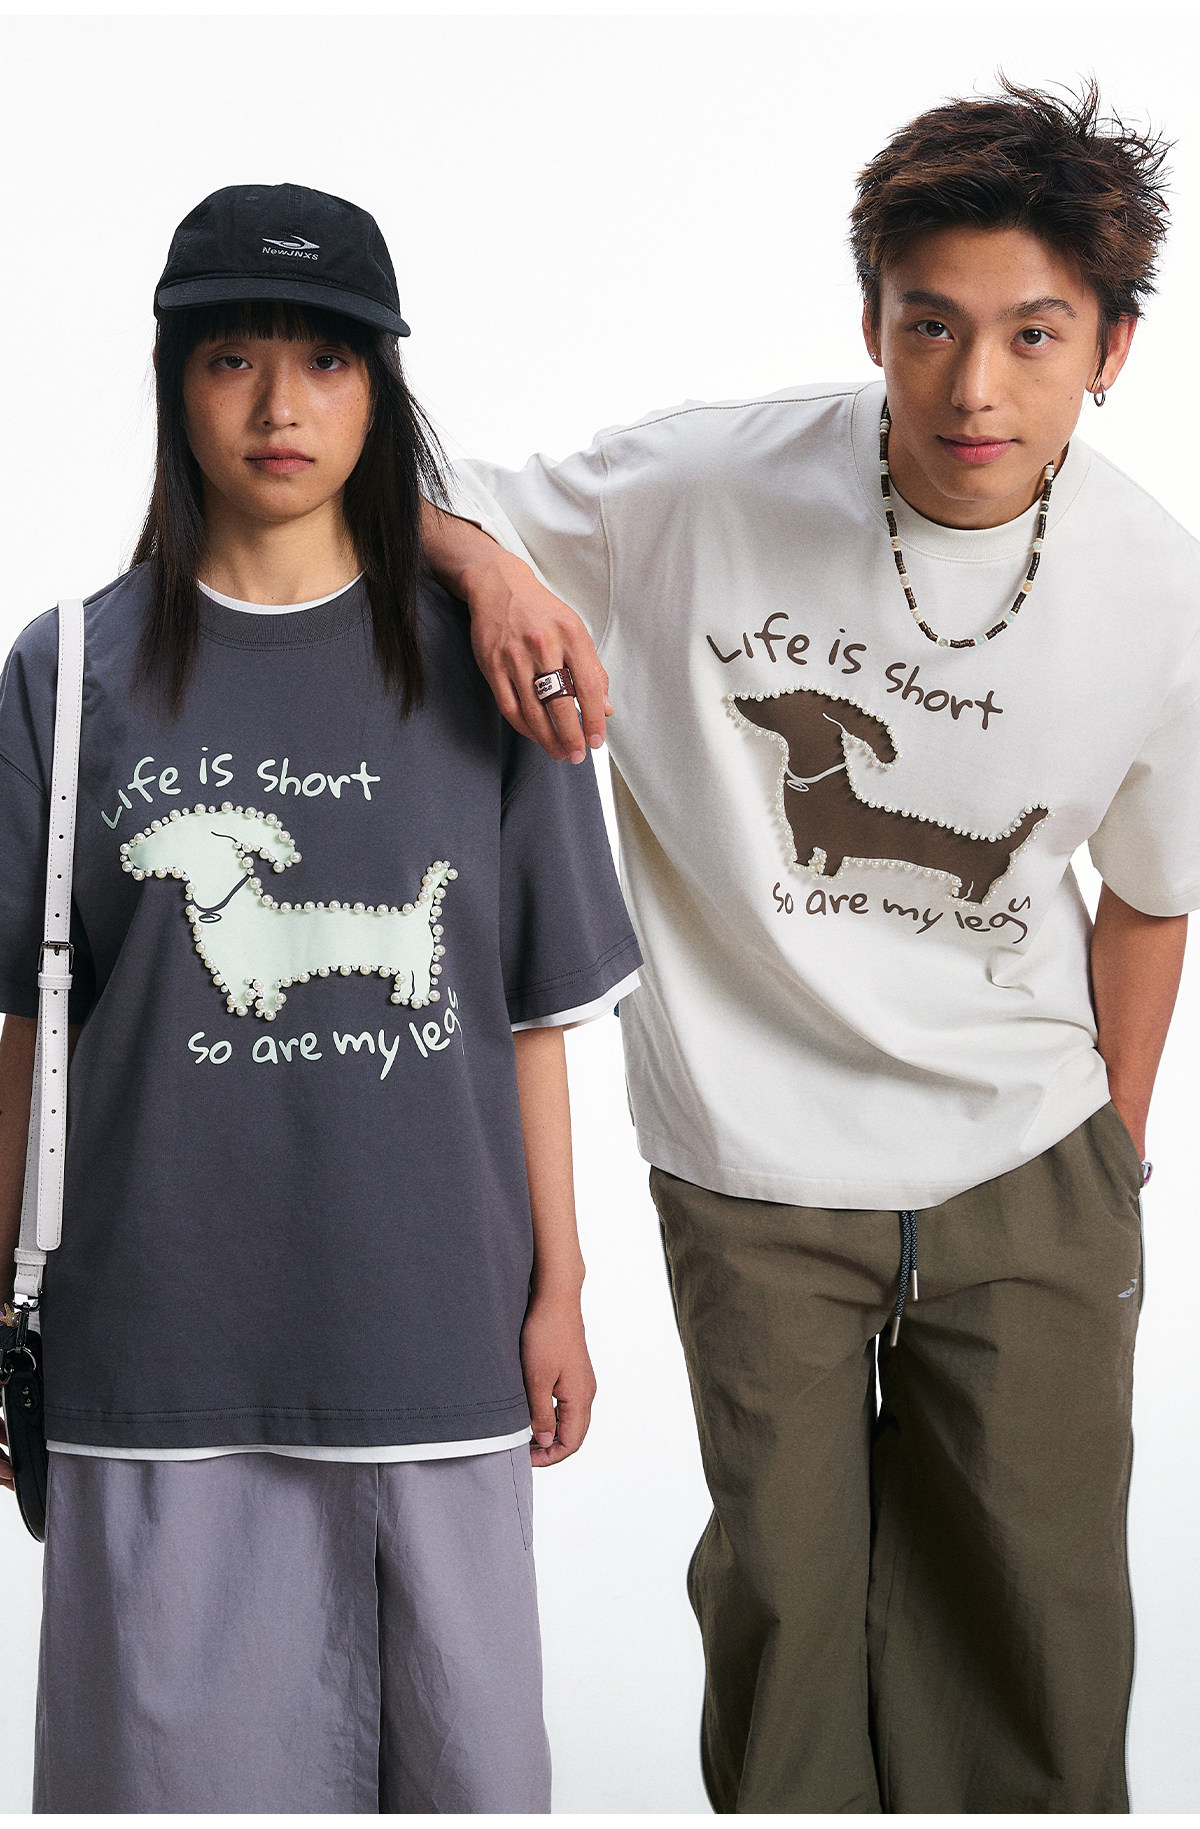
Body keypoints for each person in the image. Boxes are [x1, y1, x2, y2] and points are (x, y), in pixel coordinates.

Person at [422, 81, 1197, 1812]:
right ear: (873, 322)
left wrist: (1113, 1158)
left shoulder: (1161, 591)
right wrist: (497, 570)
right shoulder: (702, 487)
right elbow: (401, 468)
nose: (973, 386)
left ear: (1111, 351)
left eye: (1032, 333)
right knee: (785, 1623)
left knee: (1042, 1634)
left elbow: (1153, 896)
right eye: (930, 324)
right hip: (754, 1172)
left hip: (1028, 1165)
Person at [0, 181, 641, 1814]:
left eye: (327, 362)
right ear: (173, 381)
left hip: (430, 1339)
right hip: (154, 1353)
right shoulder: (67, 671)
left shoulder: (494, 667)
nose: (280, 407)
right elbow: (30, 1032)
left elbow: (528, 1019)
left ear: (381, 389)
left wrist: (561, 1286)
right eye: (233, 359)